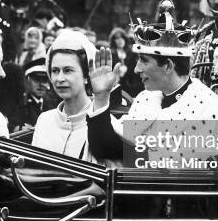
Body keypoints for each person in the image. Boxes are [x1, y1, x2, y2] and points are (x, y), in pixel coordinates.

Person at [86, 9, 218, 163]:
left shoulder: (210, 109)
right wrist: (101, 97)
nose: (136, 69)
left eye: (144, 60)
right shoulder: (145, 101)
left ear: (168, 66)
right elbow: (107, 151)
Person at [31, 29, 98, 161]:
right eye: (55, 71)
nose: (59, 78)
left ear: (86, 75)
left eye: (68, 70)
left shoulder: (104, 124)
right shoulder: (44, 120)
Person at [14, 57, 56, 130]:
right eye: (37, 79)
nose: (41, 84)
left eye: (44, 80)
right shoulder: (20, 103)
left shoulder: (52, 103)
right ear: (27, 81)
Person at [109, 27, 142, 97]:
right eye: (117, 38)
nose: (120, 40)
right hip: (115, 86)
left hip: (131, 87)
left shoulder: (132, 53)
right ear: (113, 40)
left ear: (125, 39)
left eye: (122, 38)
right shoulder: (111, 53)